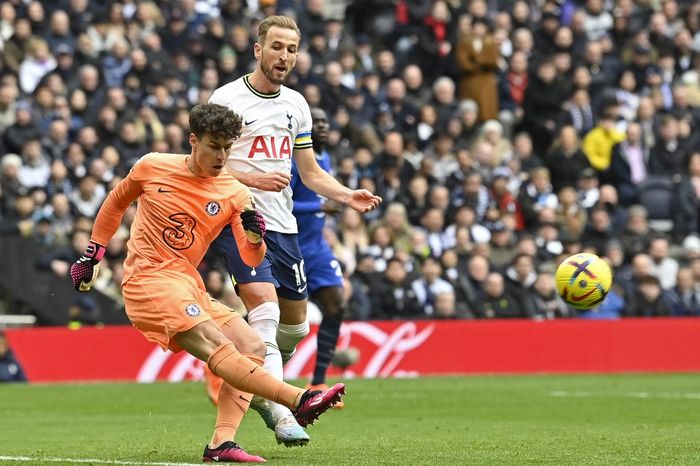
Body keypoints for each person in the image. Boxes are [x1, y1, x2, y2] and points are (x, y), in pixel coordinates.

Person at [69, 103, 345, 463]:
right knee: (218, 345)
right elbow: (115, 202)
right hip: (148, 281)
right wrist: (92, 255)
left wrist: (256, 239)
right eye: (214, 145)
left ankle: (221, 444)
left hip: (188, 283)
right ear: (193, 141)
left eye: (228, 147)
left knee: (251, 346)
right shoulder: (153, 166)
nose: (221, 155)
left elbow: (250, 260)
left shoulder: (234, 192)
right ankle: (297, 400)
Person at [207, 15, 381, 447]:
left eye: (292, 49)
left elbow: (308, 170)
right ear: (258, 49)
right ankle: (285, 410)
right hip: (240, 219)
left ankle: (263, 391)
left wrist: (345, 195)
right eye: (277, 47)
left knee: (295, 327)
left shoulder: (296, 105)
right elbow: (206, 167)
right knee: (264, 313)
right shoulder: (228, 100)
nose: (284, 56)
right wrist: (254, 180)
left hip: (286, 228)